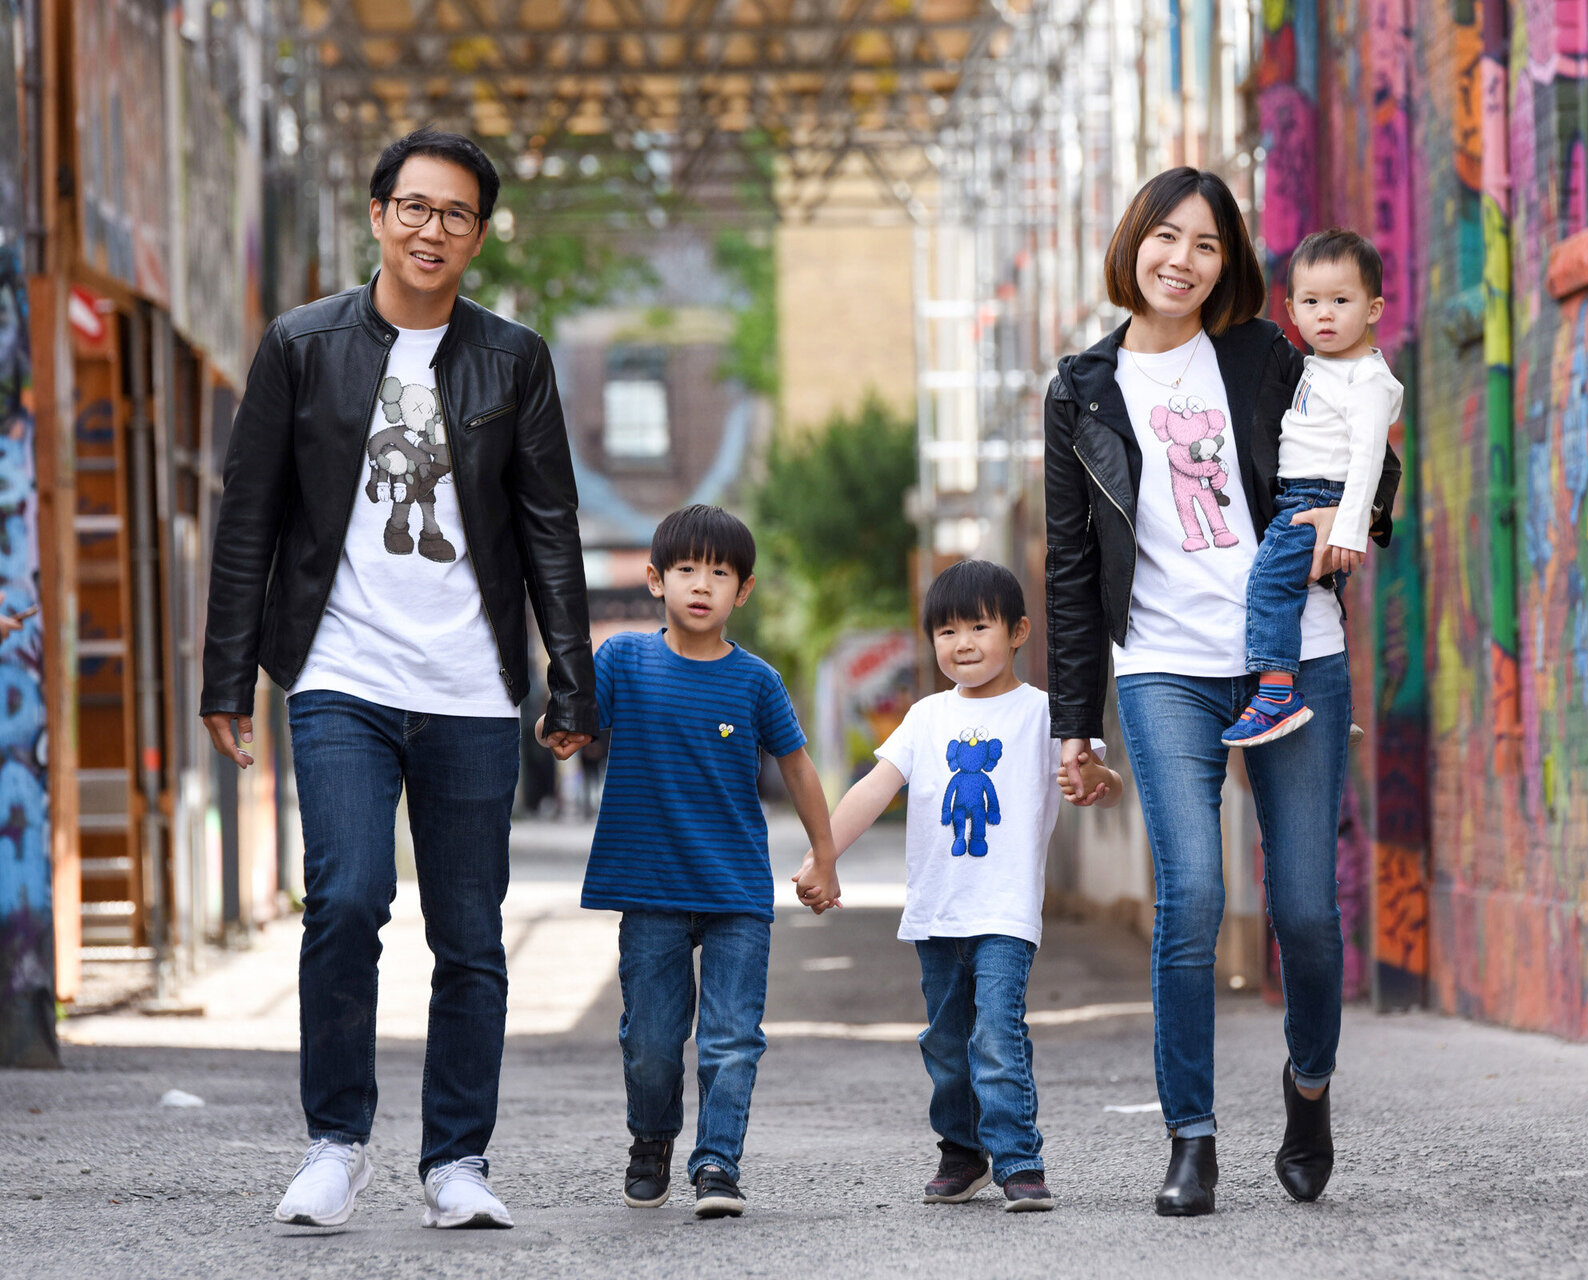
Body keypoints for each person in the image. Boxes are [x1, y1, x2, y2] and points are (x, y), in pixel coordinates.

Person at [200, 128, 596, 1231]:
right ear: (377, 216)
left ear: (478, 234)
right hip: (339, 672)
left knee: (470, 928)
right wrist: (226, 673)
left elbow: (550, 528)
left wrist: (574, 682)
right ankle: (335, 1143)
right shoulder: (301, 345)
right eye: (413, 208)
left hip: (471, 686)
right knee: (348, 896)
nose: (431, 229)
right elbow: (249, 518)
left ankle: (456, 1160)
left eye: (455, 214)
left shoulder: (512, 358)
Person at [1044, 167, 1400, 1216]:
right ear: (1133, 244)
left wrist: (1357, 528)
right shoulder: (1082, 388)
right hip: (1161, 666)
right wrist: (1074, 721)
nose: (1182, 260)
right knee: (1190, 897)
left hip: (1296, 649)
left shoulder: (1260, 354)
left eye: (1205, 243)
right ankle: (1189, 1135)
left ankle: (1308, 1085)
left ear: (1227, 260)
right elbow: (1071, 569)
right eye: (1166, 237)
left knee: (1302, 907)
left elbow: (1367, 438)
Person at [793, 559, 1122, 1213]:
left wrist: (1095, 782)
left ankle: (1019, 1160)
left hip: (1004, 911)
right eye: (946, 631)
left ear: (1020, 631)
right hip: (936, 912)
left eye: (979, 626)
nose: (963, 643)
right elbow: (872, 788)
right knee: (945, 1042)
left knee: (996, 1033)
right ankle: (962, 1150)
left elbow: (1102, 780)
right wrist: (822, 856)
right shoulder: (925, 717)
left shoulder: (1044, 715)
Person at [538, 504, 836, 1219]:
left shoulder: (756, 681)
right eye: (686, 570)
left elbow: (797, 768)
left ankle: (717, 1165)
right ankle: (651, 1140)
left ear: (744, 590)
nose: (702, 584)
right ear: (654, 580)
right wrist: (557, 729)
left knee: (732, 1039)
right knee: (651, 1039)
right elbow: (566, 719)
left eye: (720, 572)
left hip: (736, 890)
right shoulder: (623, 661)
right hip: (650, 888)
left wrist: (824, 855)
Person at [1221, 229, 1405, 746]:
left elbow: (1371, 457)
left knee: (1268, 585)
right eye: (1311, 302)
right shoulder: (1321, 366)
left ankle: (1276, 696)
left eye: (1341, 301)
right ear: (1292, 310)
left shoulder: (1364, 379)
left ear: (1373, 309)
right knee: (1316, 595)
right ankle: (1331, 707)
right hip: (1303, 494)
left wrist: (1349, 526)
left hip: (1318, 500)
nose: (1325, 314)